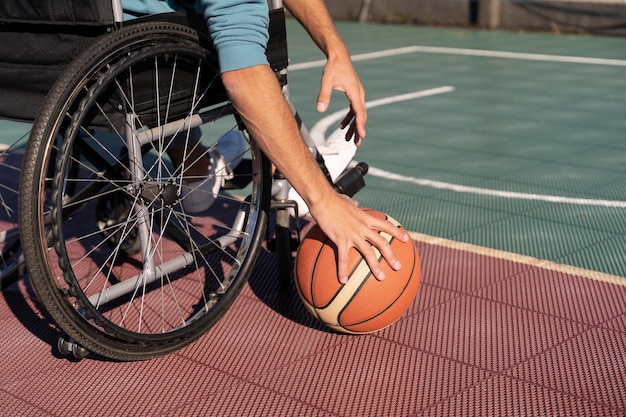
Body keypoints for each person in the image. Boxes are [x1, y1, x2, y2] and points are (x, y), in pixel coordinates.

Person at [123, 0, 410, 284]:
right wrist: (324, 201)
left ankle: (195, 167)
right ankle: (289, 172)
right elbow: (244, 76)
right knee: (249, 52)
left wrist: (336, 49)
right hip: (165, 58)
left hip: (111, 64)